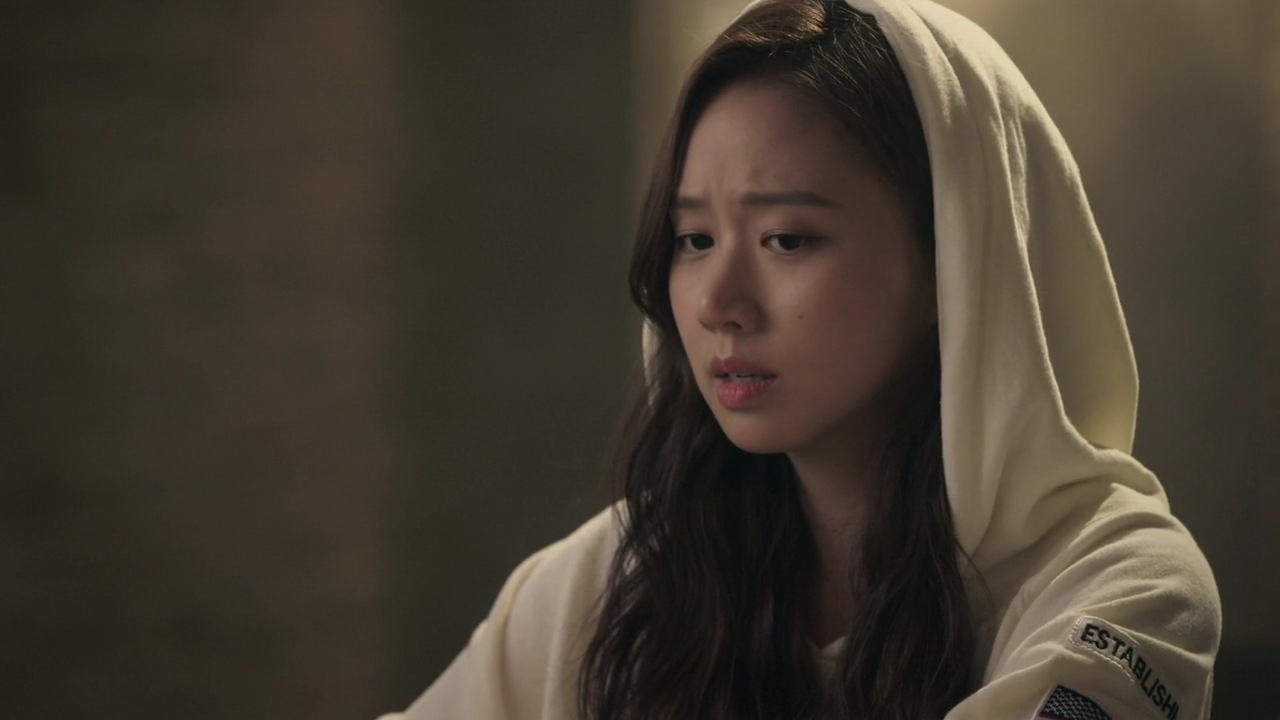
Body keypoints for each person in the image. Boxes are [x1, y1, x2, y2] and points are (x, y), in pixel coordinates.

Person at [383, 0, 1221, 717]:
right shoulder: (615, 575)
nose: (717, 303)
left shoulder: (1122, 585)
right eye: (694, 239)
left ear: (957, 263)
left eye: (786, 238)